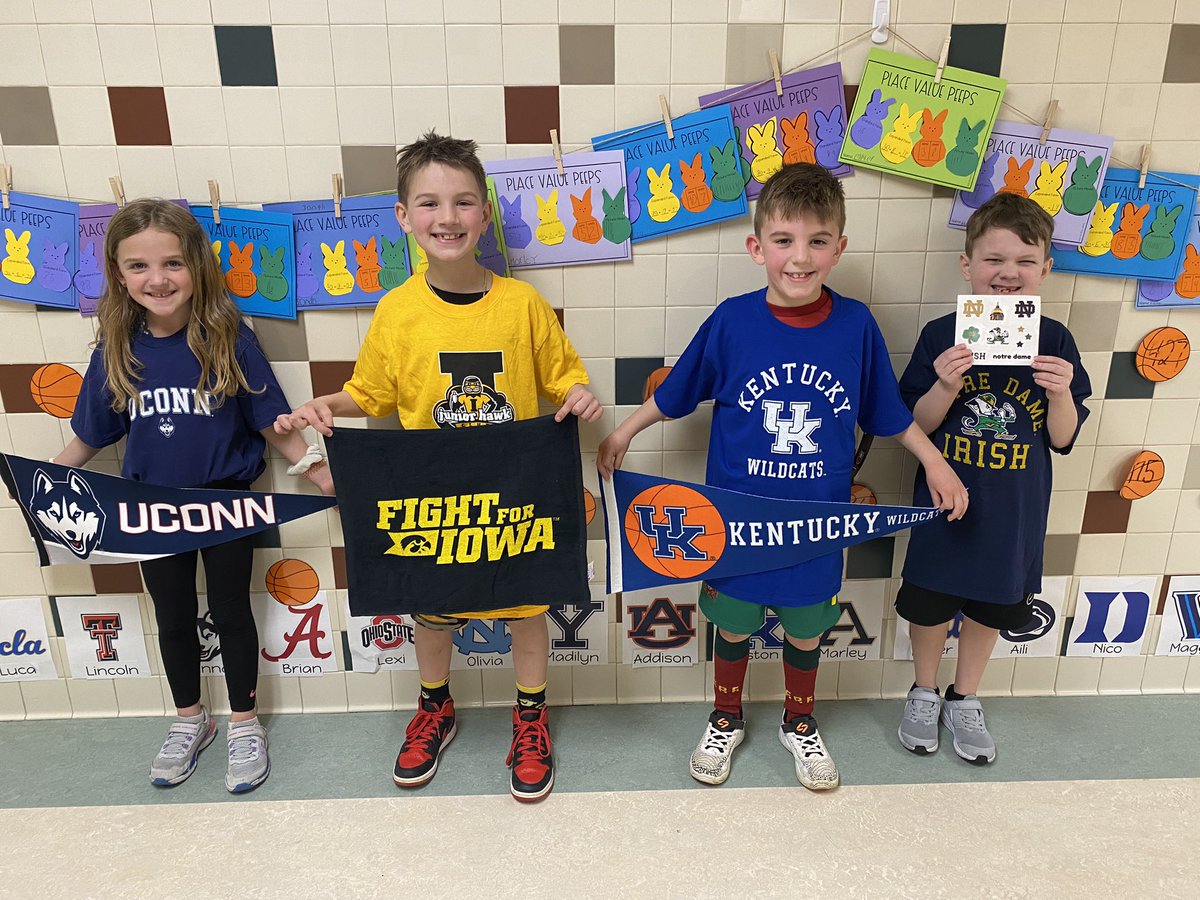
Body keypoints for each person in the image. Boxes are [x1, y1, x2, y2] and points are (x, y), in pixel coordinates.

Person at [598, 163, 968, 789]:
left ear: (839, 248)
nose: (800, 258)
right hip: (736, 524)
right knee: (735, 624)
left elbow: (887, 411)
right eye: (784, 241)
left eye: (818, 241)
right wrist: (625, 430)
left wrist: (934, 460)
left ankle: (799, 722)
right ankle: (726, 716)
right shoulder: (733, 321)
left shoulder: (855, 326)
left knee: (806, 628)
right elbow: (681, 391)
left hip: (815, 525)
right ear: (757, 247)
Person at [275, 131, 600, 802]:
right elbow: (371, 395)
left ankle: (531, 715)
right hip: (431, 497)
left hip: (512, 496)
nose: (446, 218)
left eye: (462, 202)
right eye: (429, 203)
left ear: (485, 214)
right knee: (431, 612)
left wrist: (577, 394)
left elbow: (563, 377)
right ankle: (435, 706)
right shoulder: (397, 312)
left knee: (526, 605)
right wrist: (323, 405)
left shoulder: (522, 305)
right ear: (403, 217)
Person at [54, 199, 334, 793]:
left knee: (232, 612)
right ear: (118, 274)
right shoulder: (116, 349)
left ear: (198, 266)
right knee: (172, 617)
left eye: (172, 263)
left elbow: (272, 422)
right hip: (150, 509)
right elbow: (87, 437)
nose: (157, 279)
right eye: (138, 267)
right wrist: (44, 486)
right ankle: (189, 720)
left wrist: (318, 470)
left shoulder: (231, 337)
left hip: (228, 504)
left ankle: (243, 722)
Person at [895, 192, 1090, 764]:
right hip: (941, 503)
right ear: (967, 265)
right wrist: (946, 385)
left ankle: (966, 696)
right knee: (928, 605)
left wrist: (1061, 392)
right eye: (994, 260)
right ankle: (924, 691)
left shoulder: (1055, 340)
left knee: (990, 606)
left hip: (1014, 511)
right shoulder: (940, 333)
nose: (1009, 273)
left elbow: (1062, 438)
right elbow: (913, 426)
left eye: (1026, 262)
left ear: (1047, 269)